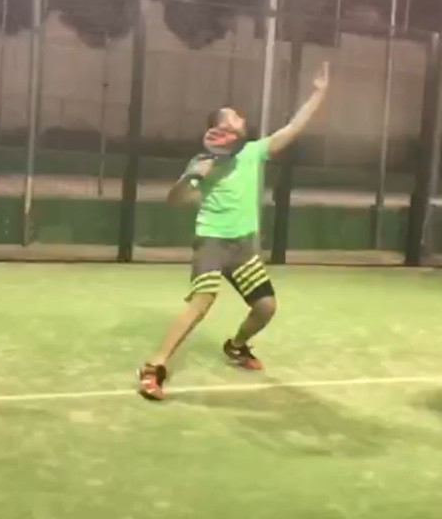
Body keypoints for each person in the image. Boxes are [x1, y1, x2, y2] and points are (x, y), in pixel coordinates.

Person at [136, 62, 330, 401]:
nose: (239, 121)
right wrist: (191, 178)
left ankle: (237, 346)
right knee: (201, 303)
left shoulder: (254, 152)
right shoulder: (203, 162)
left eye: (238, 119)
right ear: (216, 131)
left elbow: (294, 128)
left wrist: (319, 93)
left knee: (266, 307)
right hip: (212, 242)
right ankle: (155, 366)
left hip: (243, 247)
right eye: (230, 120)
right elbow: (175, 200)